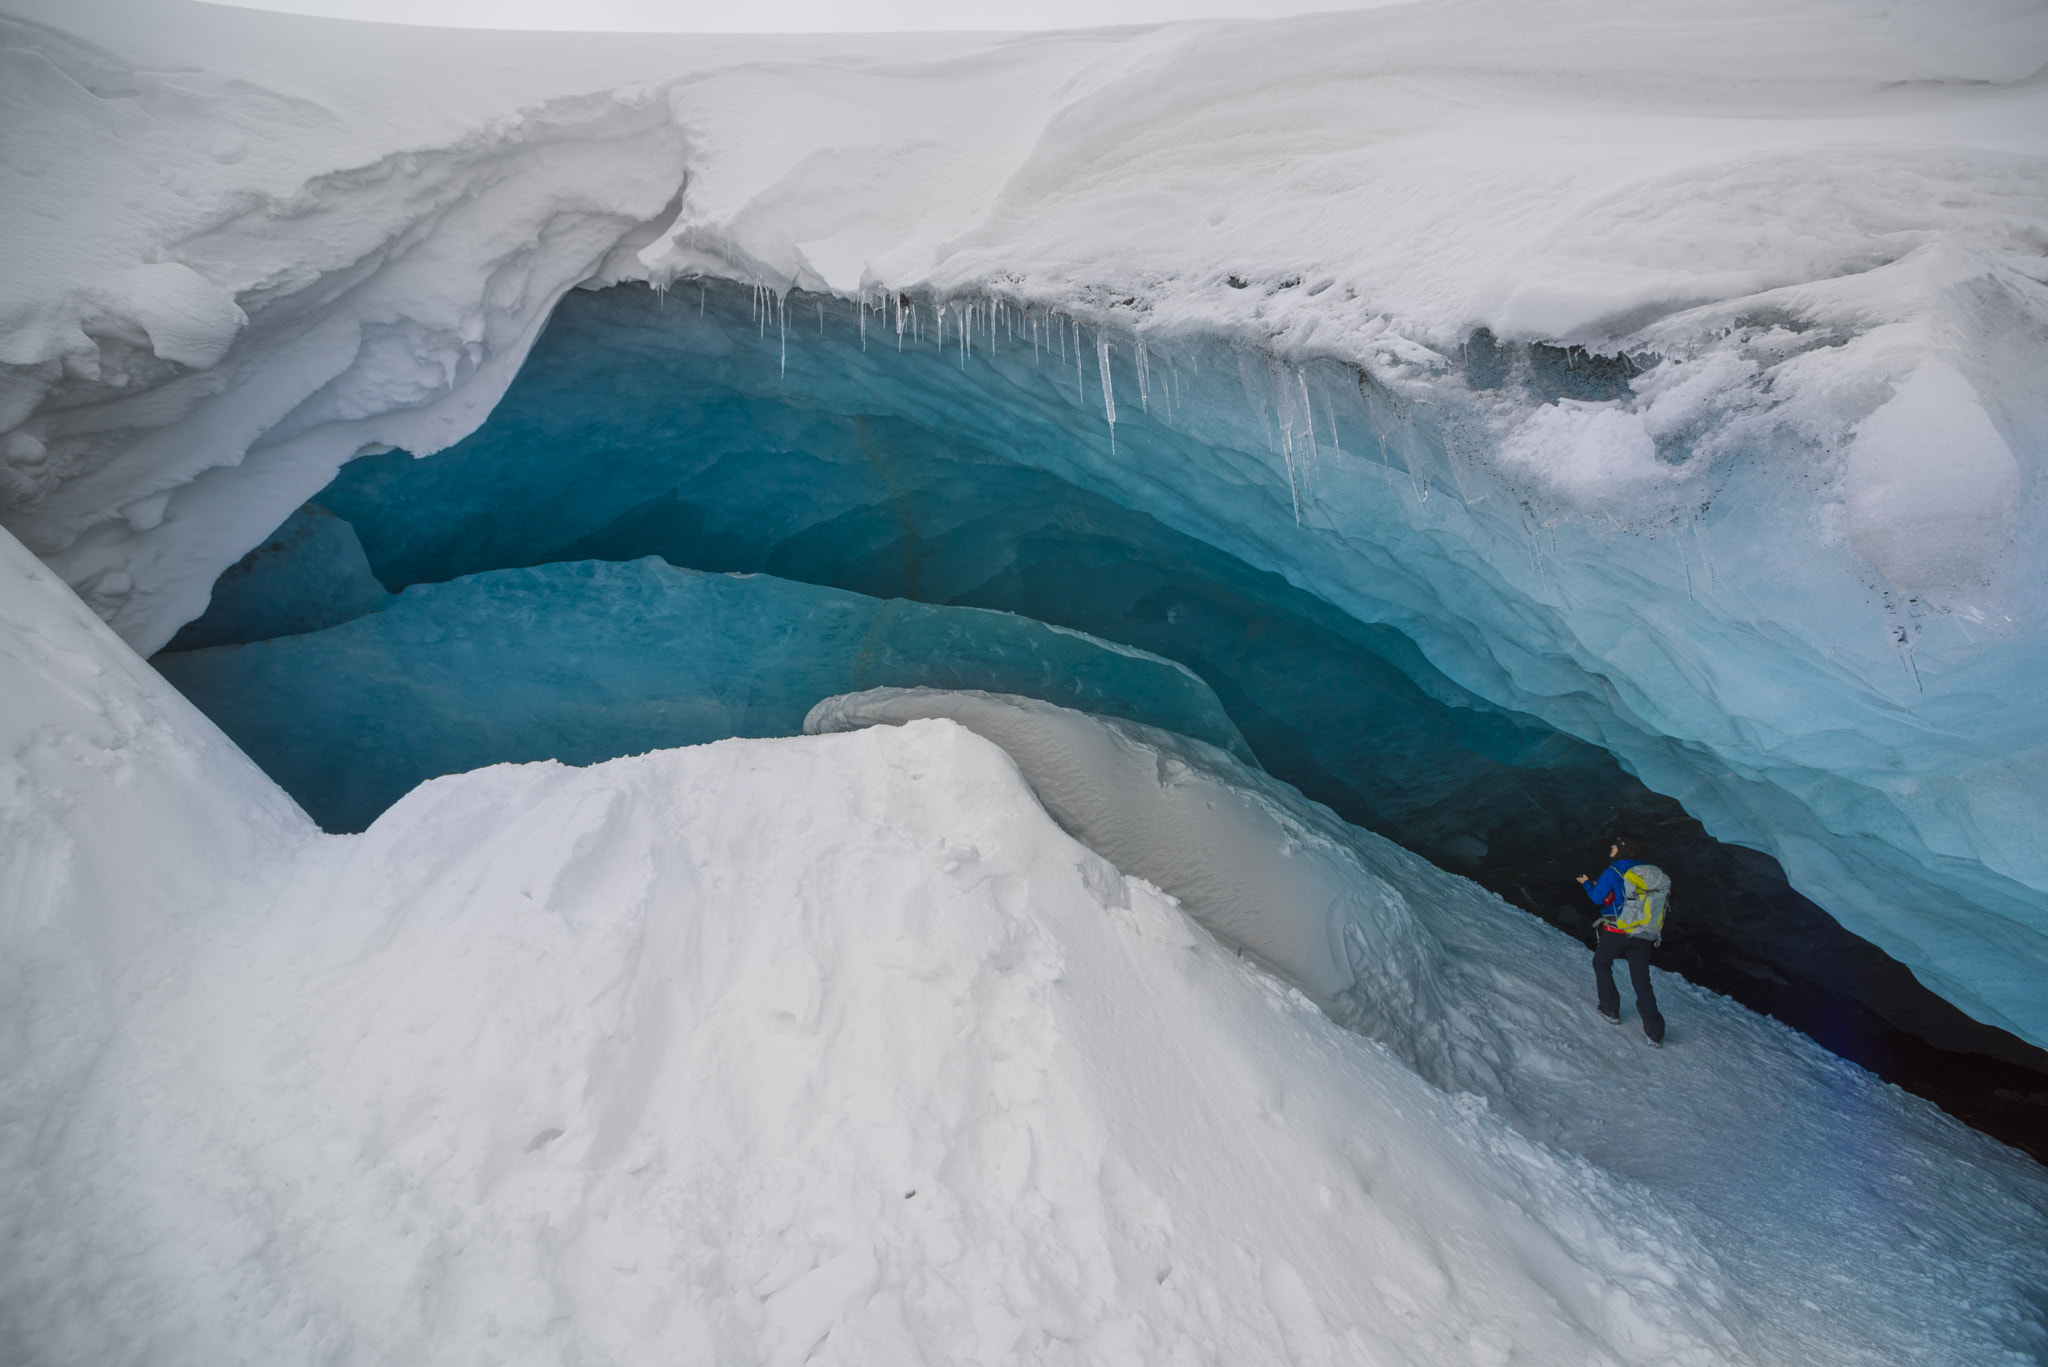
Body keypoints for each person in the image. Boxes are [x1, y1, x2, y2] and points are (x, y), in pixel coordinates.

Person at [1576, 838, 1667, 1047]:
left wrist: (1587, 884)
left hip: (1617, 930)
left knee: (1601, 963)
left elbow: (1598, 899)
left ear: (1622, 850)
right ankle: (1655, 1033)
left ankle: (1610, 1010)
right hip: (1643, 933)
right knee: (1642, 980)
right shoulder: (1646, 872)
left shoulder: (1613, 870)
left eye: (1615, 846)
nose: (1612, 848)